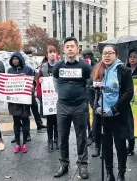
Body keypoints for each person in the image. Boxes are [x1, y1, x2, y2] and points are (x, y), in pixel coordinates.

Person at [90, 45, 134, 181]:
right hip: (103, 116)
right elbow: (90, 90)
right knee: (106, 147)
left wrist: (114, 109)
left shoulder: (124, 70)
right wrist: (95, 106)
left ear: (116, 55)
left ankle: (121, 173)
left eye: (110, 53)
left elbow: (128, 92)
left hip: (118, 115)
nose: (107, 56)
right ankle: (109, 173)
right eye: (104, 53)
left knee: (120, 147)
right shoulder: (98, 70)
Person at [52, 37, 92, 179]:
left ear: (77, 49)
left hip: (80, 106)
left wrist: (84, 97)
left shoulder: (85, 66)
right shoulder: (57, 66)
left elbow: (89, 83)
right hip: (62, 106)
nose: (69, 49)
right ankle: (64, 164)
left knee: (81, 137)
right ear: (63, 50)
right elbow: (55, 82)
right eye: (67, 46)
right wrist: (63, 94)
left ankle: (82, 165)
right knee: (62, 136)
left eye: (72, 46)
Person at [7, 52, 35, 153]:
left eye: (16, 59)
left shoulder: (27, 69)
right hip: (14, 101)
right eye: (13, 59)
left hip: (24, 101)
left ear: (20, 59)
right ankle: (18, 143)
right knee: (16, 122)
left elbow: (33, 81)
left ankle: (24, 143)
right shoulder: (9, 70)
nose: (15, 60)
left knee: (25, 120)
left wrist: (33, 86)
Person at [38, 45, 59, 152]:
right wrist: (40, 80)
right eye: (50, 52)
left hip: (58, 97)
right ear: (47, 55)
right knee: (50, 121)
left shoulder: (60, 65)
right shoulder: (43, 67)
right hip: (48, 98)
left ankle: (57, 139)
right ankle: (50, 140)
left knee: (58, 120)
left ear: (56, 54)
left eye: (53, 52)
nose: (52, 54)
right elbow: (38, 81)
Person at [82, 49, 97, 146]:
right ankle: (90, 134)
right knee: (87, 117)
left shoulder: (96, 66)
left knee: (94, 116)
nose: (87, 58)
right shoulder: (82, 66)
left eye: (88, 56)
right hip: (84, 94)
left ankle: (93, 134)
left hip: (94, 94)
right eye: (85, 56)